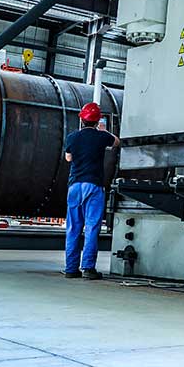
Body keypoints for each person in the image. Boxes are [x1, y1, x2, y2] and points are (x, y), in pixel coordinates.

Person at [63, 102, 119, 279]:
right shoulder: (101, 137)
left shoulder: (72, 137)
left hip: (74, 186)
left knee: (73, 228)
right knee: (92, 227)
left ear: (81, 120)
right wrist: (104, 131)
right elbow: (117, 142)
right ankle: (88, 268)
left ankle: (71, 269)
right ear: (97, 121)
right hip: (93, 186)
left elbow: (68, 158)